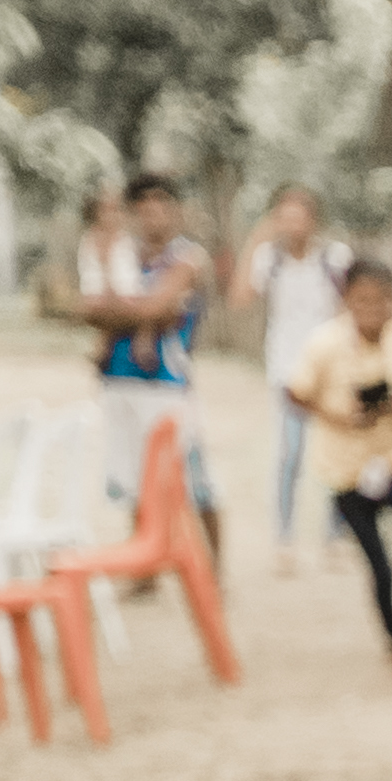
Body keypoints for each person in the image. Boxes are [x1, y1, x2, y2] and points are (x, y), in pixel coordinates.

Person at [283, 252, 392, 671]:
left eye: (379, 301)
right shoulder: (326, 343)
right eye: (361, 300)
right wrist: (338, 415)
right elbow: (296, 391)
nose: (371, 310)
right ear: (346, 299)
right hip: (346, 470)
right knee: (381, 564)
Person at [81, 171, 221, 552]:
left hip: (168, 381)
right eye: (143, 207)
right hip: (119, 377)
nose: (152, 214)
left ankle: (213, 567)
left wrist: (128, 310)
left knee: (193, 479)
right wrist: (142, 312)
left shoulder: (188, 258)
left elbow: (153, 306)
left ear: (176, 211)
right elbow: (93, 309)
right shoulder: (124, 255)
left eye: (161, 205)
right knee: (133, 476)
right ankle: (145, 561)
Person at [242, 186, 346, 555]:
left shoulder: (334, 259)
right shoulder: (269, 259)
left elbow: (349, 308)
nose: (292, 225)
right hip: (286, 370)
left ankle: (336, 534)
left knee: (337, 451)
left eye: (298, 216)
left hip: (331, 370)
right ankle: (284, 535)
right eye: (284, 217)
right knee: (289, 455)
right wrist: (256, 239)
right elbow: (239, 298)